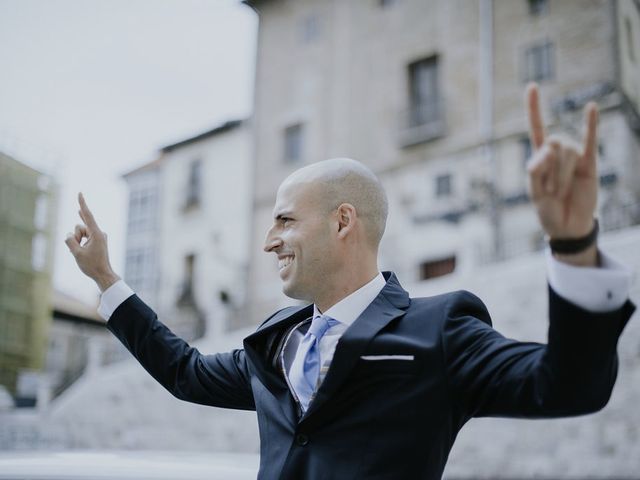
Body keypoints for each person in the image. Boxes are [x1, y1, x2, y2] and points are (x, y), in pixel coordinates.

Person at [66, 84, 634, 479]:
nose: (269, 242)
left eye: (285, 220)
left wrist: (573, 246)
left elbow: (568, 386)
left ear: (343, 221)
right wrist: (108, 282)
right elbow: (185, 372)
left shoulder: (440, 330)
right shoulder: (273, 346)